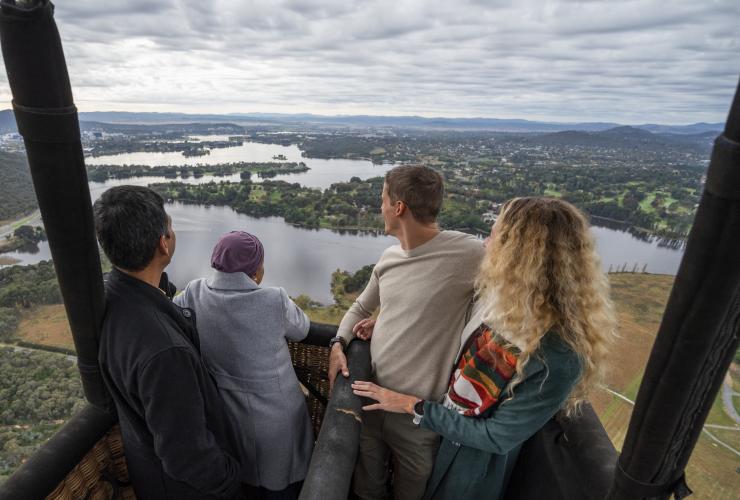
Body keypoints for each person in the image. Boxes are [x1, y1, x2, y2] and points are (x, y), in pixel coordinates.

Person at [352, 197, 616, 500]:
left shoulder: (559, 356)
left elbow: (497, 436)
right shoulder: (503, 303)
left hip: (465, 470)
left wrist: (411, 405)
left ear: (519, 257)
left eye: (495, 236)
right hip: (438, 437)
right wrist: (388, 324)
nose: (486, 244)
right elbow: (454, 325)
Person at [329, 165, 486, 500]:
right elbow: (359, 309)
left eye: (383, 200)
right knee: (367, 488)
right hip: (372, 399)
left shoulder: (470, 254)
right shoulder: (389, 258)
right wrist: (338, 343)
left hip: (418, 415)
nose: (380, 207)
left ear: (398, 207)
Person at [93, 186, 241, 500]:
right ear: (163, 242)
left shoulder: (111, 298)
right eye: (170, 228)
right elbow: (187, 455)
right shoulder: (164, 353)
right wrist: (230, 480)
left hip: (150, 476)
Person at [174, 231, 313, 500]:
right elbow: (303, 329)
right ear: (256, 271)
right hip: (277, 423)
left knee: (243, 487)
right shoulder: (274, 300)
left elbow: (170, 312)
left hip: (226, 419)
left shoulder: (194, 293)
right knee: (283, 490)